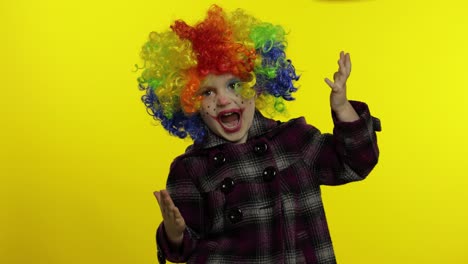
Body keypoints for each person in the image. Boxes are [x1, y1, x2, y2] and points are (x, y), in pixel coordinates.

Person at [136, 5, 381, 264]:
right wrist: (174, 234)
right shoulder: (191, 168)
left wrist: (342, 107)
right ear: (189, 103)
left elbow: (357, 162)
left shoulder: (293, 141)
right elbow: (183, 250)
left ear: (257, 84)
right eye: (207, 92)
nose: (223, 99)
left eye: (234, 84)